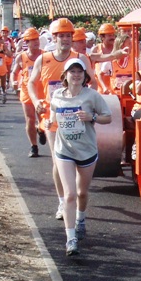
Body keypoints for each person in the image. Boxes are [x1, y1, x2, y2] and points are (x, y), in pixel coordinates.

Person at [28, 18, 94, 220]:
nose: (65, 39)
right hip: (53, 118)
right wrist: (36, 99)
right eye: (61, 36)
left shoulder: (80, 58)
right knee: (58, 161)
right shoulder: (44, 59)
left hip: (76, 119)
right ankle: (62, 201)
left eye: (68, 35)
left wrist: (87, 103)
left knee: (78, 160)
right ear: (54, 37)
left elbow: (94, 84)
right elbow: (31, 82)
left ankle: (75, 198)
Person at [47, 58, 112, 256]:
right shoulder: (57, 95)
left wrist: (91, 117)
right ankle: (71, 239)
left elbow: (107, 117)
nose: (76, 75)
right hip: (64, 150)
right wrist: (48, 123)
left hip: (86, 150)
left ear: (85, 76)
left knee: (82, 193)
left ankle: (80, 219)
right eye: (72, 72)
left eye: (79, 72)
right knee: (69, 194)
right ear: (65, 75)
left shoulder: (92, 96)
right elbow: (52, 116)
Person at [10, 27, 44, 157]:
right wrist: (13, 82)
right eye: (32, 40)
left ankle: (41, 130)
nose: (36, 42)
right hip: (27, 91)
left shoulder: (45, 55)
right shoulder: (21, 57)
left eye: (37, 39)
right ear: (27, 42)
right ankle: (34, 146)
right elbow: (14, 72)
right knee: (30, 119)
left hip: (42, 92)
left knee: (43, 118)